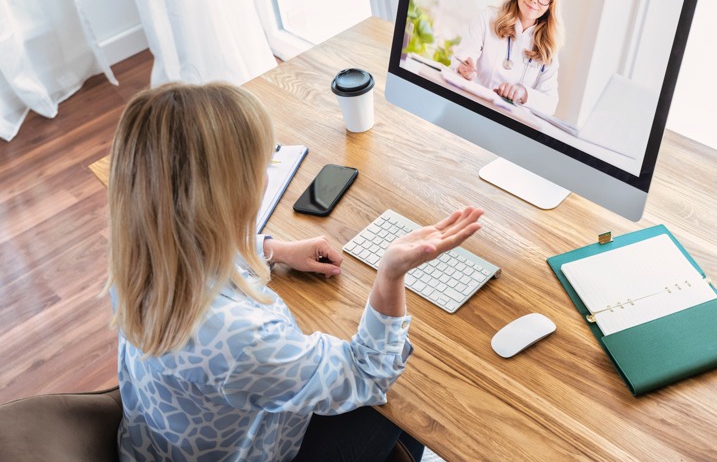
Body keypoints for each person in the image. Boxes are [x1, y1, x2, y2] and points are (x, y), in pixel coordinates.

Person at [105, 81, 483, 462]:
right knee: (409, 403)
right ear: (227, 191)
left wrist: (273, 249)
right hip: (257, 451)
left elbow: (193, 245)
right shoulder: (240, 336)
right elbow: (367, 374)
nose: (266, 177)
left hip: (158, 447)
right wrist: (391, 273)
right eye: (262, 164)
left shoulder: (140, 257)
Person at [452, 0, 564, 115]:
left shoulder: (548, 47)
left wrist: (523, 93)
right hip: (468, 108)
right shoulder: (488, 19)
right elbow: (461, 57)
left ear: (551, 3)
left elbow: (550, 104)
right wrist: (463, 68)